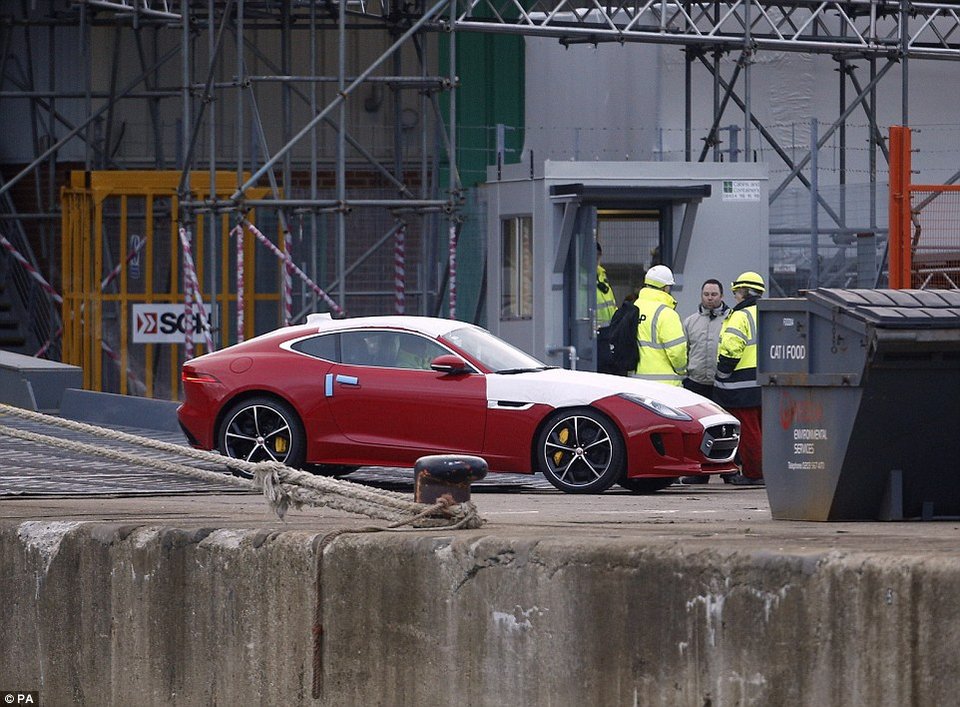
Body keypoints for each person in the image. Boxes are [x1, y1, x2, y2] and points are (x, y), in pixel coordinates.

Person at [714, 271, 765, 486]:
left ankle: (754, 473)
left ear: (743, 292)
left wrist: (722, 373)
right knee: (762, 431)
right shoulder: (765, 312)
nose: (735, 295)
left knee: (748, 433)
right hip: (762, 383)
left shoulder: (741, 315)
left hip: (740, 386)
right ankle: (765, 471)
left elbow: (732, 348)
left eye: (736, 291)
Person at [679, 279, 731, 484]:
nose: (710, 298)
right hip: (696, 381)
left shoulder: (730, 321)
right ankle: (698, 472)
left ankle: (728, 471)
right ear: (701, 296)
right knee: (697, 430)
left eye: (714, 295)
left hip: (721, 382)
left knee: (725, 429)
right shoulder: (690, 322)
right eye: (706, 294)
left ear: (722, 296)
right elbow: (684, 350)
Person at [629, 264, 687, 386]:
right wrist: (682, 371)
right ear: (666, 288)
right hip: (665, 385)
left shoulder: (633, 308)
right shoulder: (666, 313)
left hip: (636, 382)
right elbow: (677, 352)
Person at [596, 242, 617, 329]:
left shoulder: (602, 275)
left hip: (609, 329)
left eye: (598, 255)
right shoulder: (581, 277)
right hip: (594, 331)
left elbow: (611, 303)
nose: (596, 258)